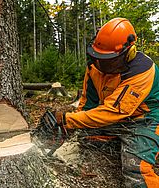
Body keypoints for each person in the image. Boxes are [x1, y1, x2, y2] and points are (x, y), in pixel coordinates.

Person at [55, 17, 159, 187]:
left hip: (147, 119)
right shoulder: (94, 67)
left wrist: (68, 120)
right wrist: (70, 126)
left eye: (109, 59)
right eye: (99, 57)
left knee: (136, 169)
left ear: (128, 53)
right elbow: (88, 103)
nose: (102, 64)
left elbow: (114, 111)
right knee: (86, 139)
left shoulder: (142, 71)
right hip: (119, 119)